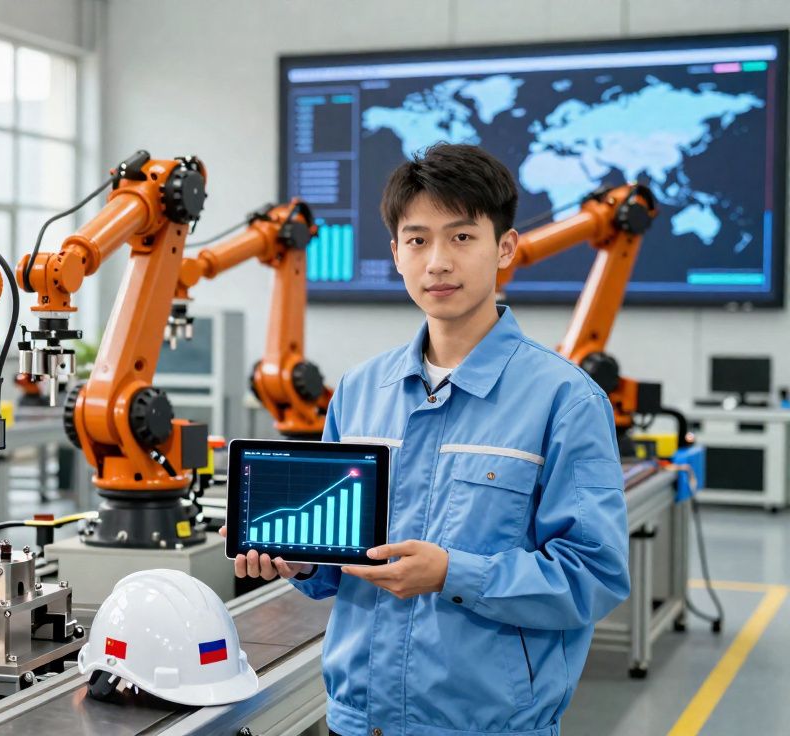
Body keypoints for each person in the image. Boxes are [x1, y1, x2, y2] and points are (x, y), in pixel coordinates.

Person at [224, 143, 629, 736]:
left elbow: (593, 578)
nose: (437, 261)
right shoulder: (360, 391)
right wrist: (301, 561)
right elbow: (338, 570)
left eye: (462, 237)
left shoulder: (564, 400)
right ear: (396, 253)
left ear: (506, 248)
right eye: (417, 240)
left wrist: (452, 574)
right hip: (358, 721)